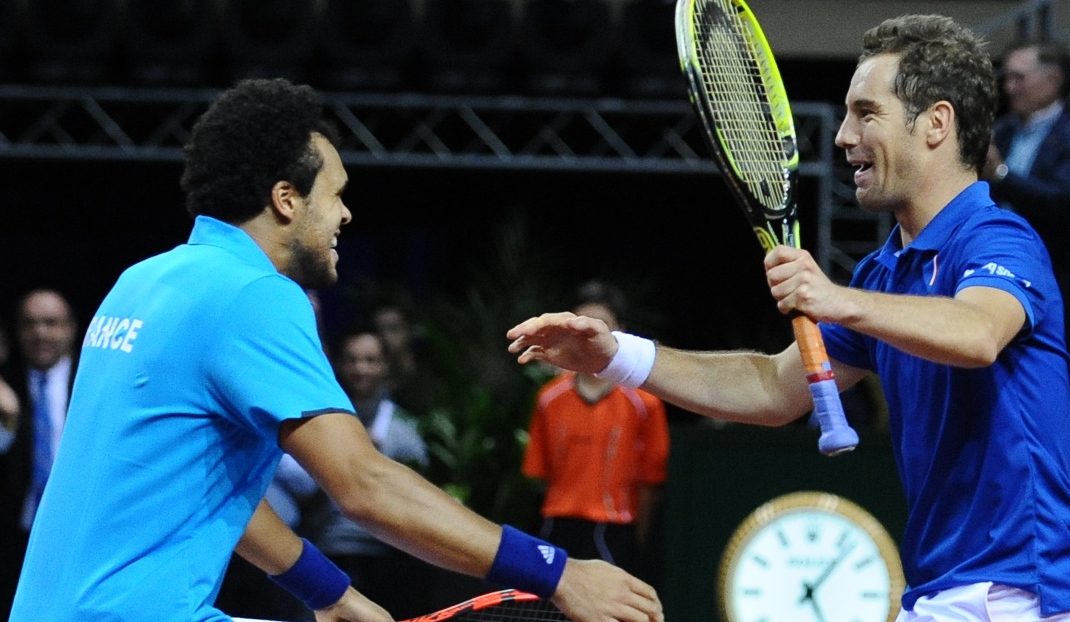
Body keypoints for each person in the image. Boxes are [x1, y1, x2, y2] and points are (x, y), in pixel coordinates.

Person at [508, 15, 1070, 622]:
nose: (844, 135)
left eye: (866, 113)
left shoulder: (998, 238)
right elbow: (772, 387)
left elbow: (978, 334)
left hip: (1018, 598)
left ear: (937, 123)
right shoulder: (884, 272)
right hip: (947, 593)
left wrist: (837, 300)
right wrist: (616, 356)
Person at [9, 78, 663, 622]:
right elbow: (364, 484)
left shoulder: (142, 282)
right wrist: (554, 574)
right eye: (337, 194)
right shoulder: (254, 295)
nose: (346, 215)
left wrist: (334, 595)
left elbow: (216, 502)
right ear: (286, 200)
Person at [981, 39, 1070, 414]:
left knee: (1045, 381)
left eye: (1019, 78)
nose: (1009, 87)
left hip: (1054, 274)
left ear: (1052, 80)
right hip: (994, 266)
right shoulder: (1001, 132)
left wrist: (1000, 174)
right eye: (1008, 78)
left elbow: (1062, 204)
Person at [521, 281, 668, 579]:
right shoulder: (548, 399)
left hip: (615, 531)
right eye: (577, 327)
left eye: (599, 326)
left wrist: (637, 542)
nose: (587, 336)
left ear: (620, 332)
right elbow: (539, 475)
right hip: (556, 526)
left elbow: (651, 484)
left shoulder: (645, 403)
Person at [296, 329, 435, 620]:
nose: (361, 369)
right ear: (338, 364)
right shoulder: (312, 424)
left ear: (386, 366)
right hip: (325, 550)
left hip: (386, 553)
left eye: (371, 360)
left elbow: (419, 502)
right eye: (352, 360)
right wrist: (334, 461)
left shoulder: (405, 432)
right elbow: (300, 497)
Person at [0, 289, 78, 619]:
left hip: (77, 535)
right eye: (30, 324)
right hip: (14, 539)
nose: (40, 333)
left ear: (72, 329)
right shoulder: (7, 384)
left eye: (51, 323)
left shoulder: (95, 381)